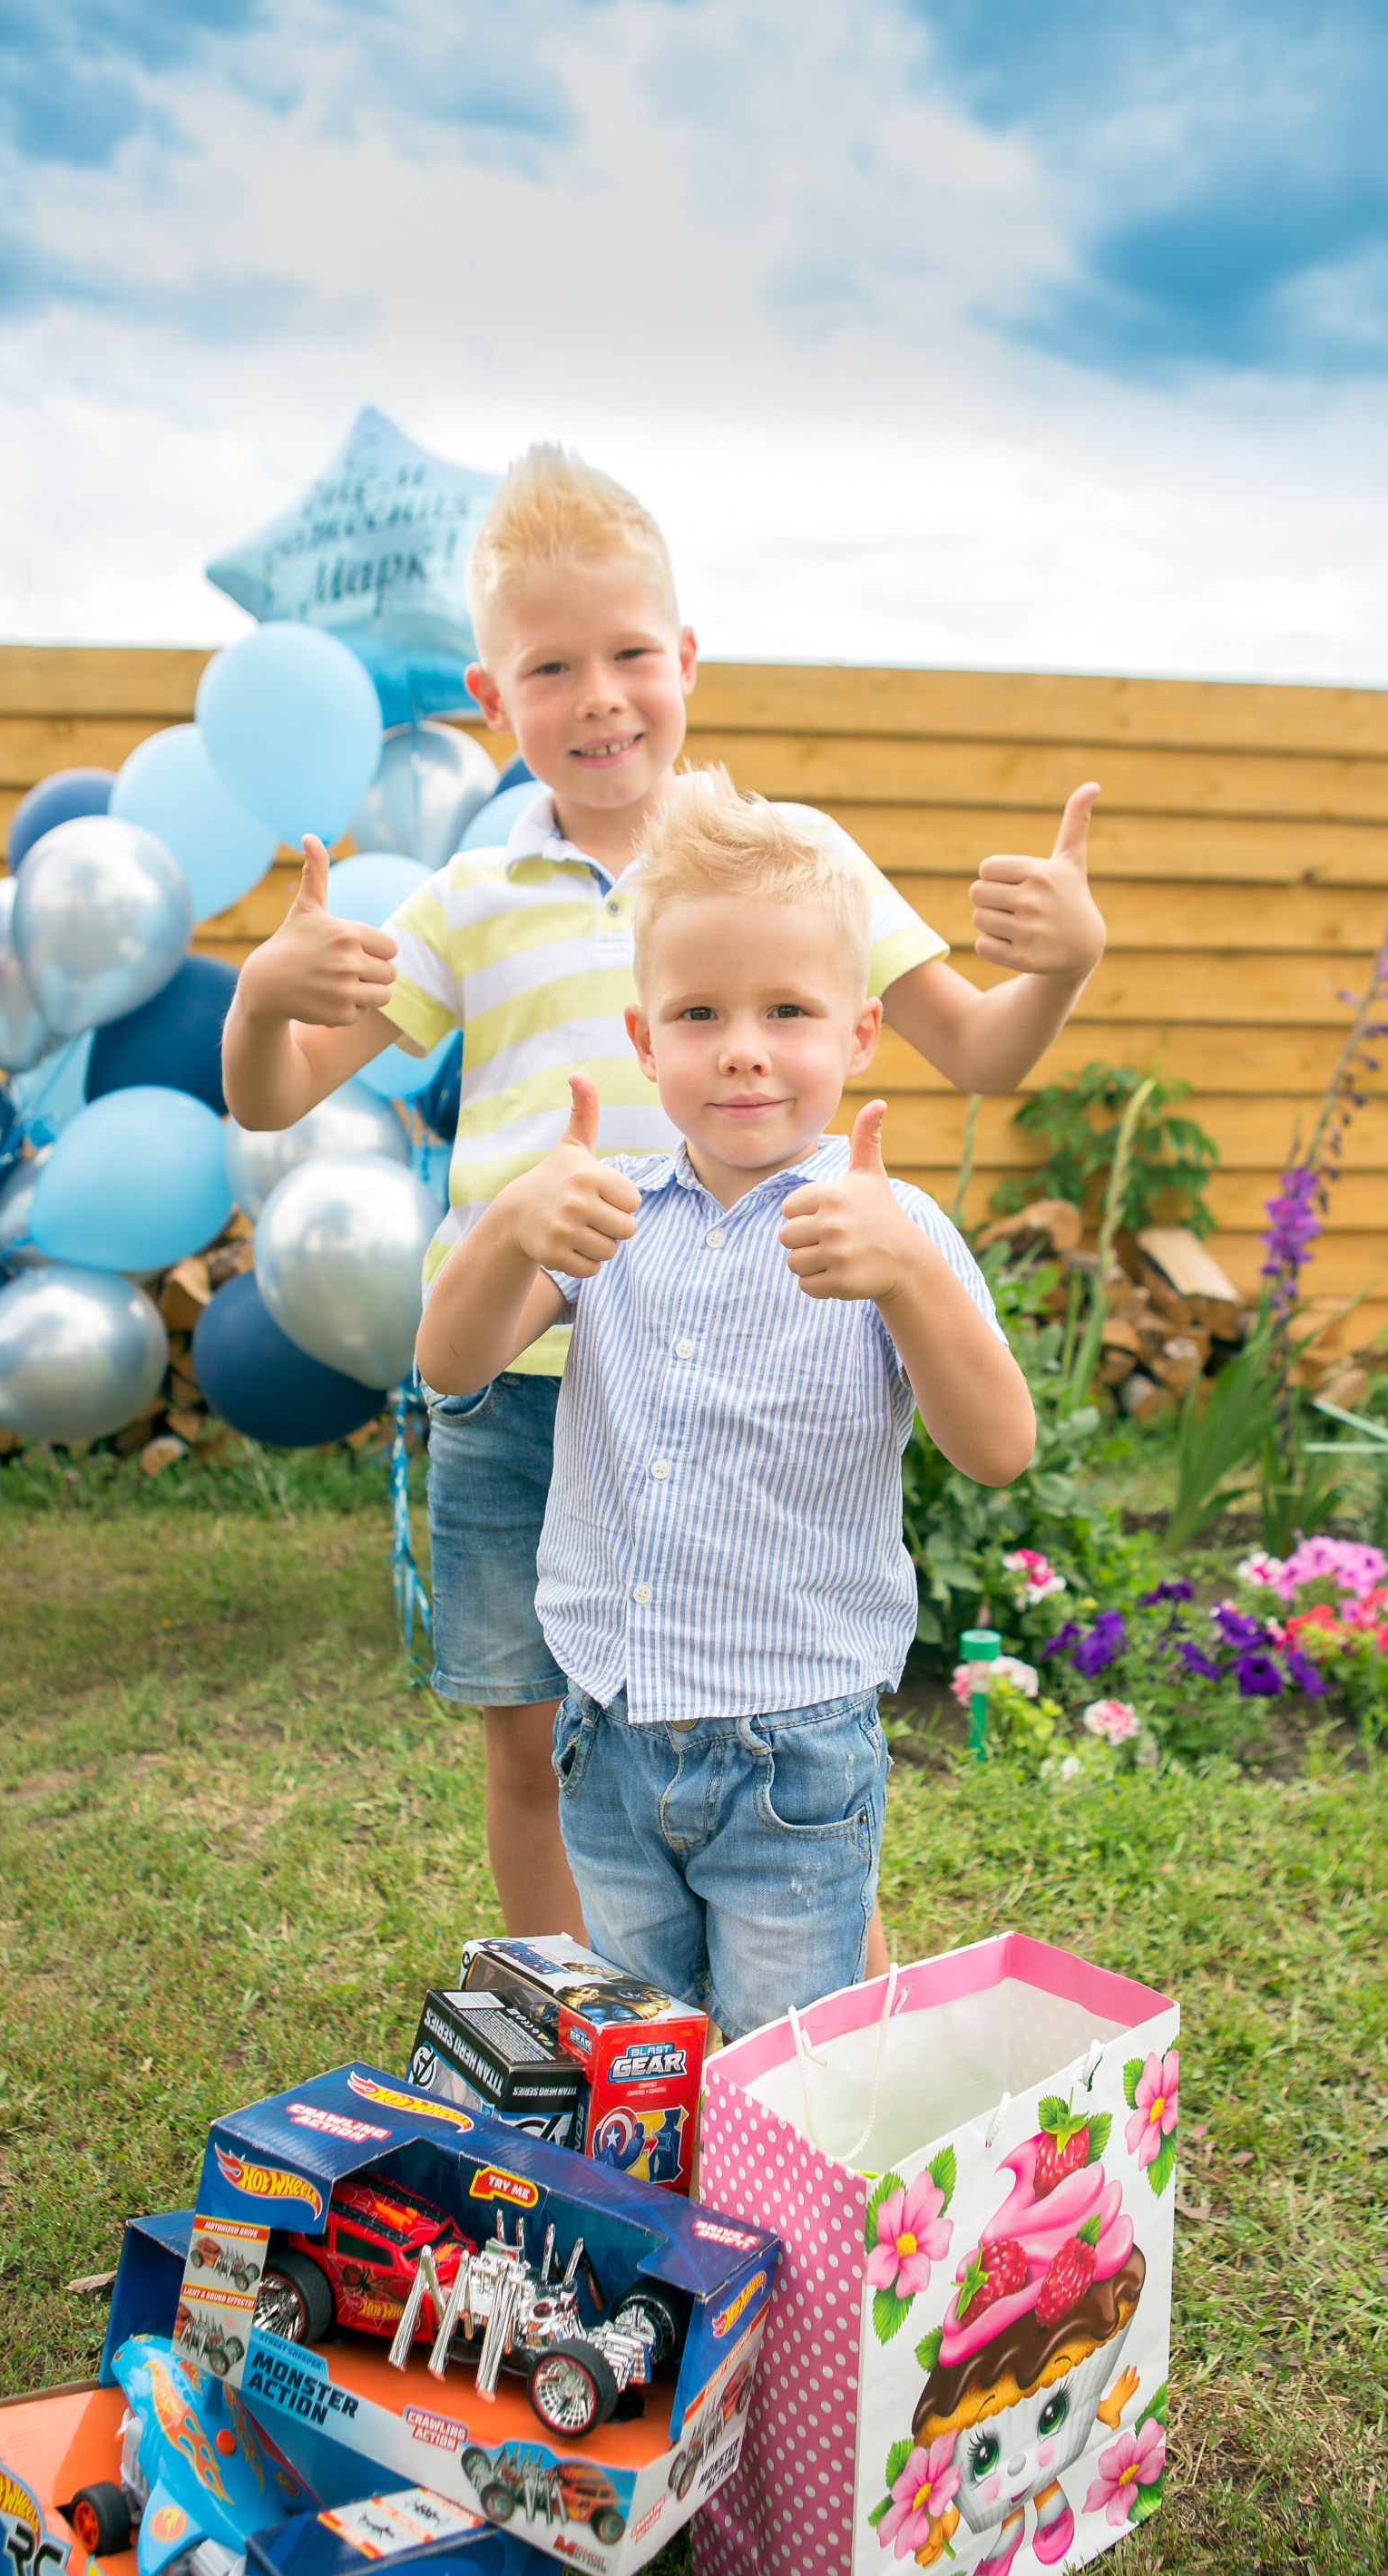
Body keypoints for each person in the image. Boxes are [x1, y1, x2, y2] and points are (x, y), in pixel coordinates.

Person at [220, 445, 1102, 1954]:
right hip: (514, 1371)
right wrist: (257, 997)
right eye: (550, 667)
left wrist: (1065, 964)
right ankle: (581, 2041)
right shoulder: (468, 898)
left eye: (631, 652)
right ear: (496, 705)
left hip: (747, 1367)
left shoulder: (797, 865)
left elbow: (981, 1046)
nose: (601, 694)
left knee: (787, 1739)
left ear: (687, 659)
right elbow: (278, 1093)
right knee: (536, 1742)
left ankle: (820, 2031)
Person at [412, 768, 1034, 2037]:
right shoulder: (610, 1213)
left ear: (860, 1035)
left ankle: (780, 2233)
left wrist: (911, 1279)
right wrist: (511, 1228)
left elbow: (998, 1449)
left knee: (786, 2064)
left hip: (792, 1759)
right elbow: (451, 1363)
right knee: (643, 2057)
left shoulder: (887, 1228)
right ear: (643, 1041)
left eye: (787, 1010)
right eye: (698, 1011)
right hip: (611, 1737)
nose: (742, 1047)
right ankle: (664, 2236)